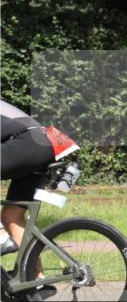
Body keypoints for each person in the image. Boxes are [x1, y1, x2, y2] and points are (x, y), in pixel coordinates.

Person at [0, 99, 76, 256]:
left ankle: (1, 234)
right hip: (45, 143)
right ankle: (36, 279)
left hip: (30, 142)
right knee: (12, 216)